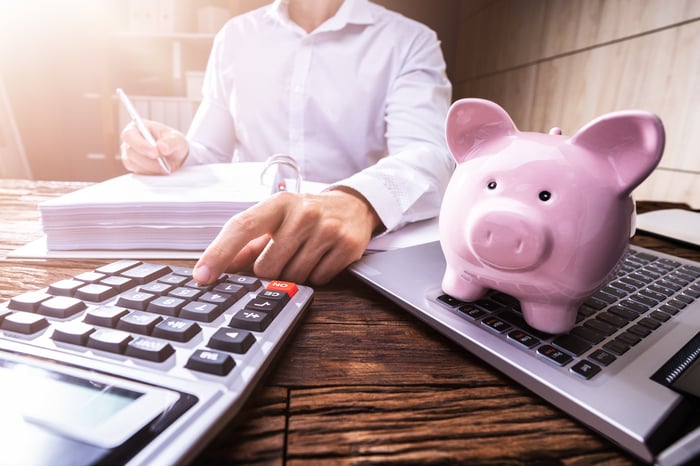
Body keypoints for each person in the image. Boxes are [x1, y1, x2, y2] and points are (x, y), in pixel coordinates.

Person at [120, 0, 454, 286]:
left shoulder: (409, 40)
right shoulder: (235, 36)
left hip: (344, 256)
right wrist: (172, 152)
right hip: (236, 249)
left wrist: (359, 201)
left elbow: (429, 154)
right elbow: (209, 153)